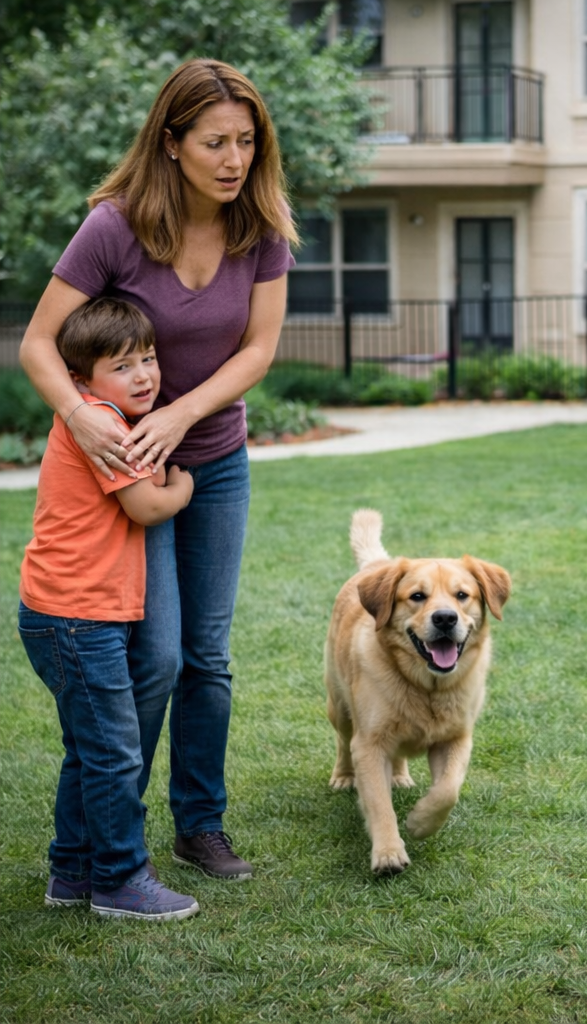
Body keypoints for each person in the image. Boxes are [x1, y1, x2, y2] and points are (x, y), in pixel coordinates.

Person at [19, 58, 298, 881]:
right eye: (215, 141)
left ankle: (199, 825)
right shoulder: (116, 226)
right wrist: (78, 417)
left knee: (207, 658)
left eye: (247, 141)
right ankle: (113, 840)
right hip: (131, 478)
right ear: (171, 143)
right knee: (158, 659)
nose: (234, 159)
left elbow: (259, 351)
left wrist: (181, 412)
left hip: (213, 463)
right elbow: (40, 343)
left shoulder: (263, 228)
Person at [19, 297, 199, 920]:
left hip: (68, 612)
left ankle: (71, 873)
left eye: (147, 358)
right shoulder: (102, 423)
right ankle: (120, 879)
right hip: (76, 617)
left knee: (88, 749)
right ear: (82, 380)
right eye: (122, 366)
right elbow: (146, 508)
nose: (144, 375)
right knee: (116, 752)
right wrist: (183, 488)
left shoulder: (100, 415)